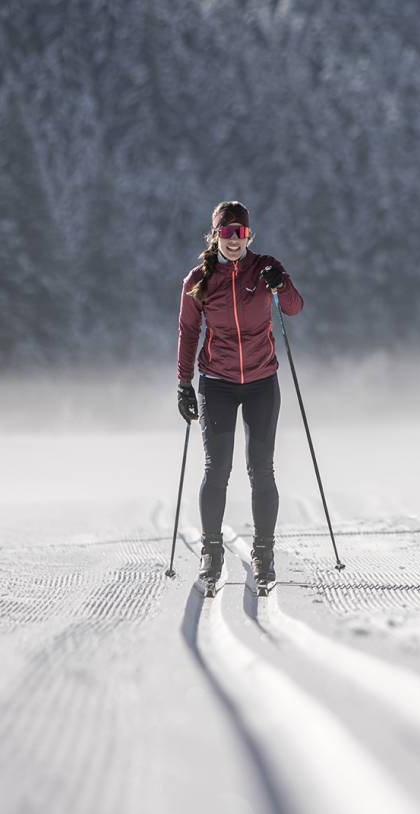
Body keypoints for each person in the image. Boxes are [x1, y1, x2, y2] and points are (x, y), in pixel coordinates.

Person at [176, 201, 303, 591]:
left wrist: (281, 283)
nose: (234, 241)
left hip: (263, 381)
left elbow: (295, 309)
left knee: (261, 470)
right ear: (215, 235)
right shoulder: (198, 280)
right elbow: (188, 333)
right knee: (218, 470)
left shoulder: (264, 268)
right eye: (227, 233)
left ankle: (263, 553)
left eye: (241, 233)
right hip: (217, 382)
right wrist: (183, 384)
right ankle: (210, 553)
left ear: (250, 236)